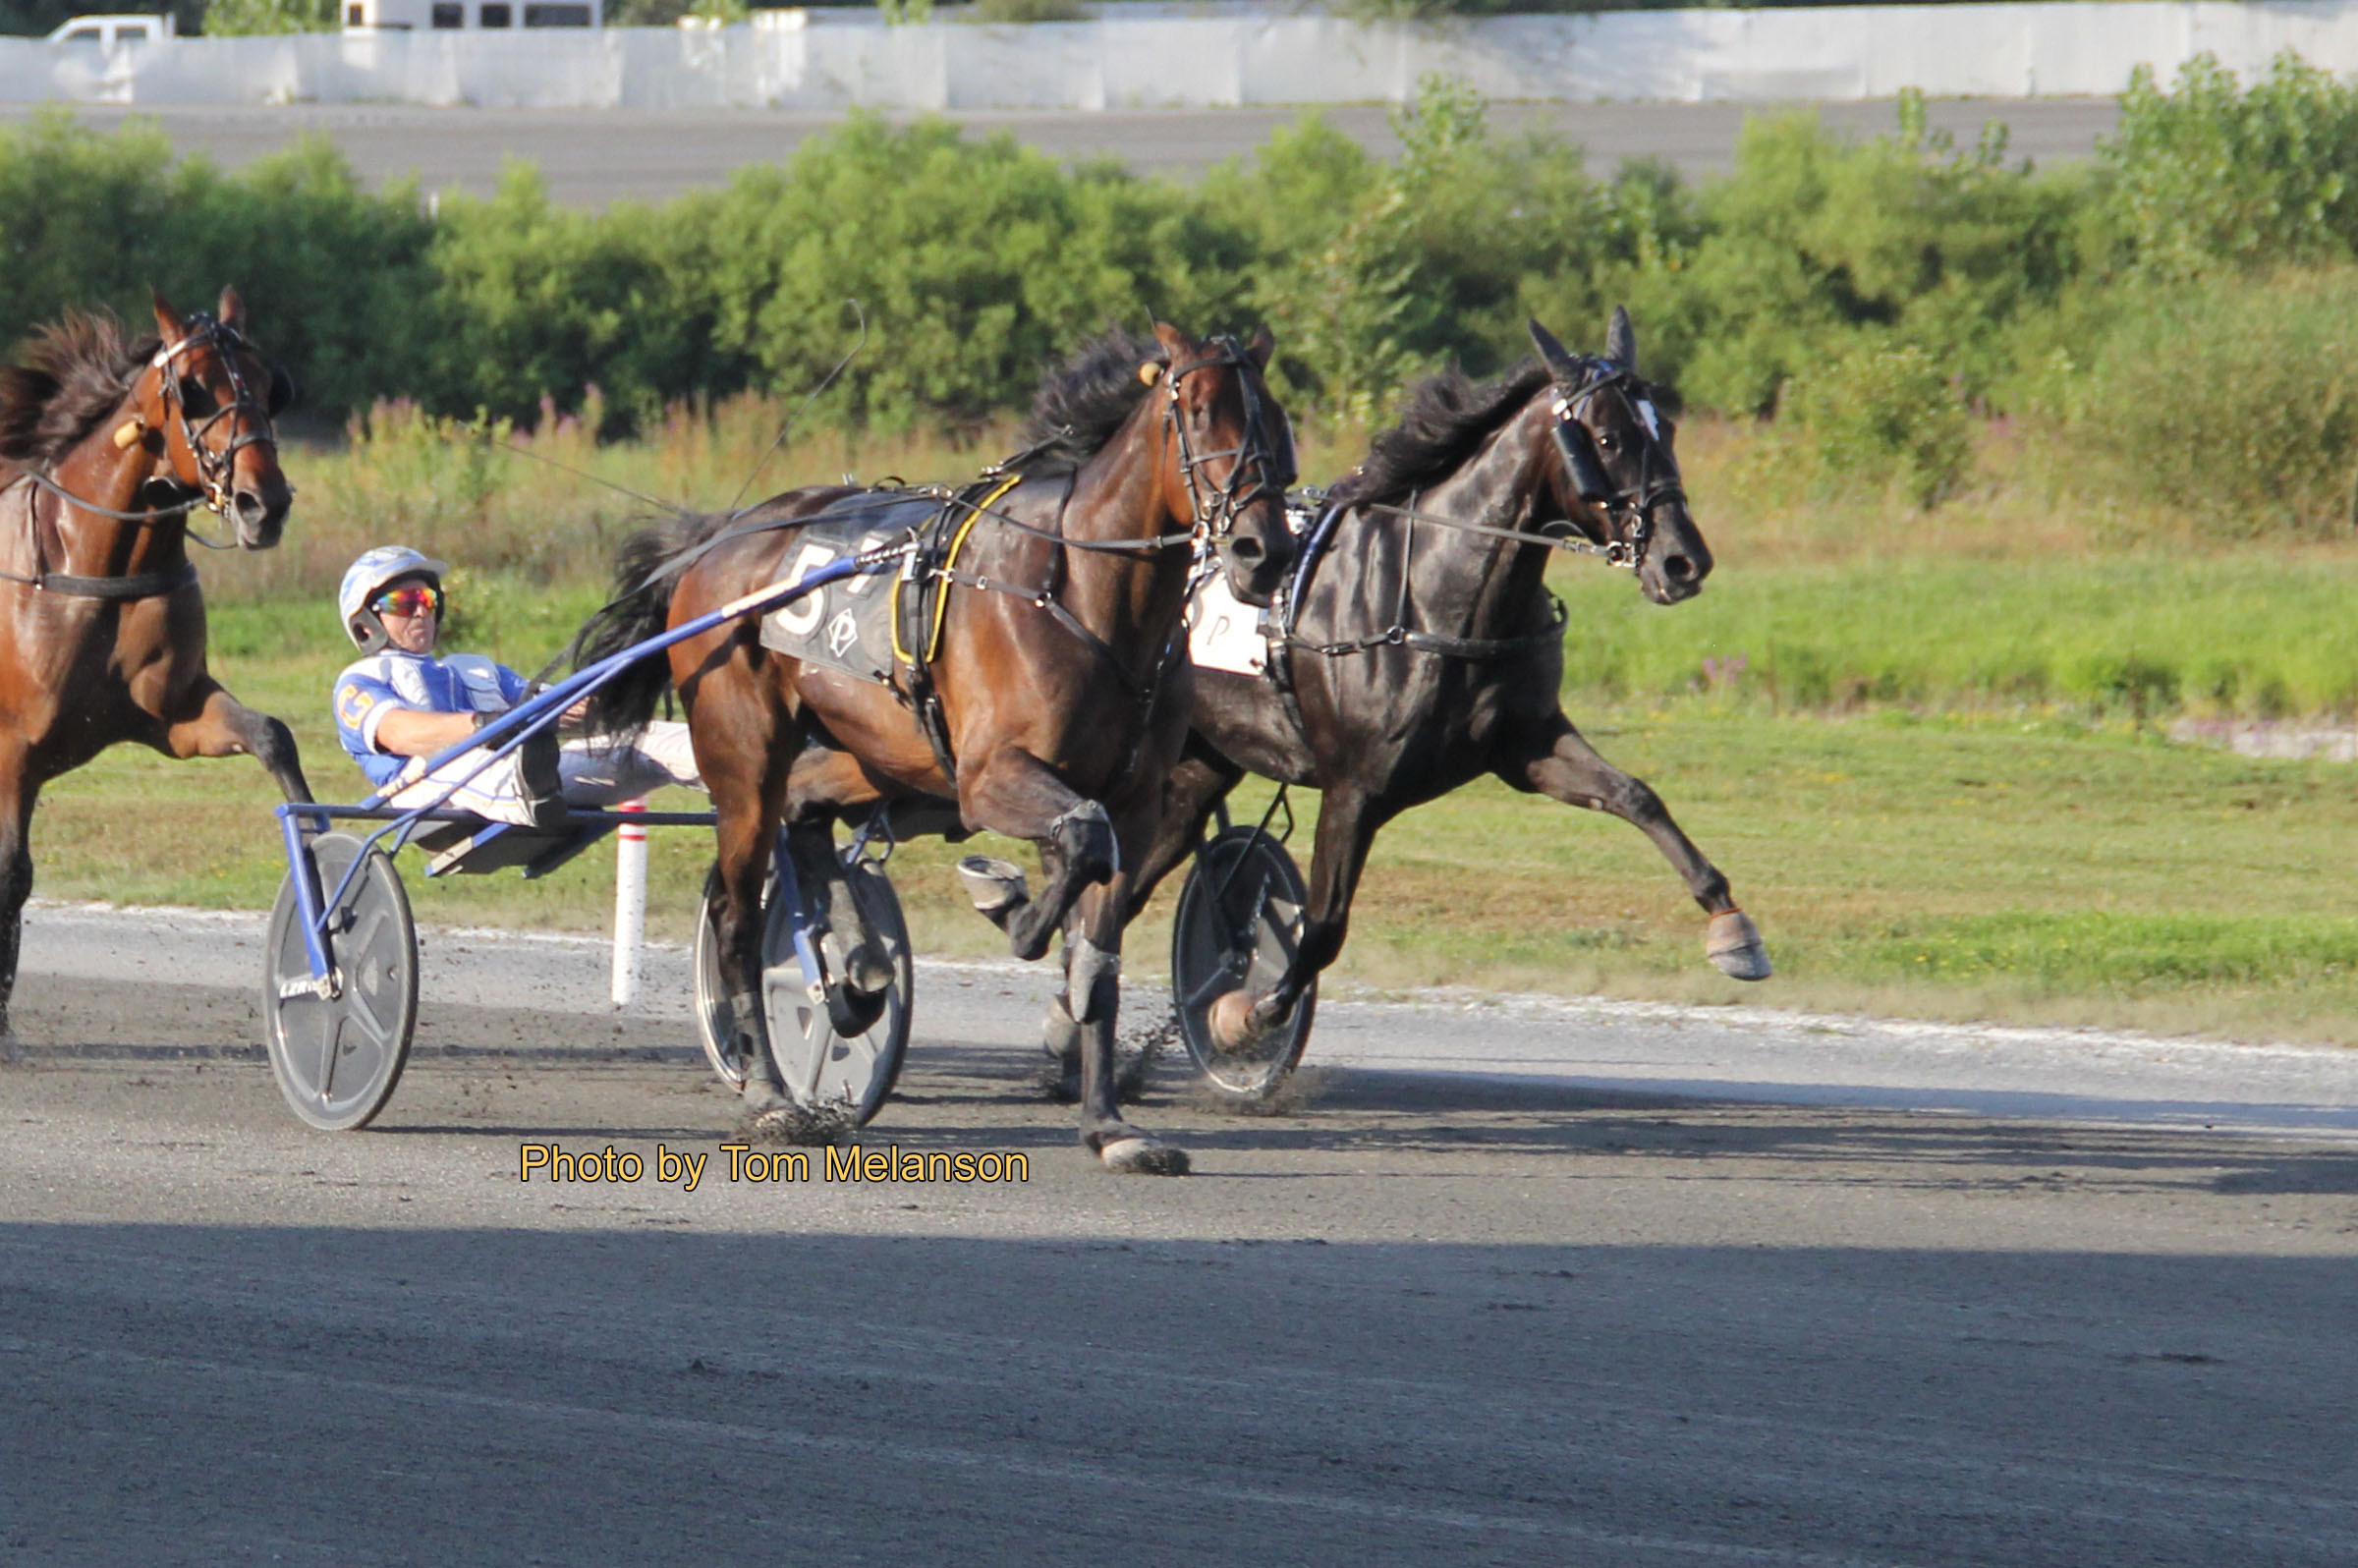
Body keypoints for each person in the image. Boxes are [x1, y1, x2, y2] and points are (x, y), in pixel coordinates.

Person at [331, 546, 701, 830]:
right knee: (463, 761)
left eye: (427, 599)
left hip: (527, 769)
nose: (421, 612)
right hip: (427, 789)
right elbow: (399, 734)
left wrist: (626, 692)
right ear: (365, 624)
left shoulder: (475, 668)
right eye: (403, 603)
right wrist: (486, 725)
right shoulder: (359, 681)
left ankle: (732, 770)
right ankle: (531, 787)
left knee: (646, 740)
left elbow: (555, 707)